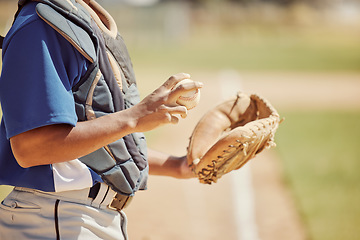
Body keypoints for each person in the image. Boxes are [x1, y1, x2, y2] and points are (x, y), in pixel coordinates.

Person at [0, 0, 202, 239]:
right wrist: (135, 117)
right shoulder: (41, 26)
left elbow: (102, 139)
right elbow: (32, 147)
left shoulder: (81, 18)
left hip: (79, 217)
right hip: (58, 220)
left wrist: (177, 166)